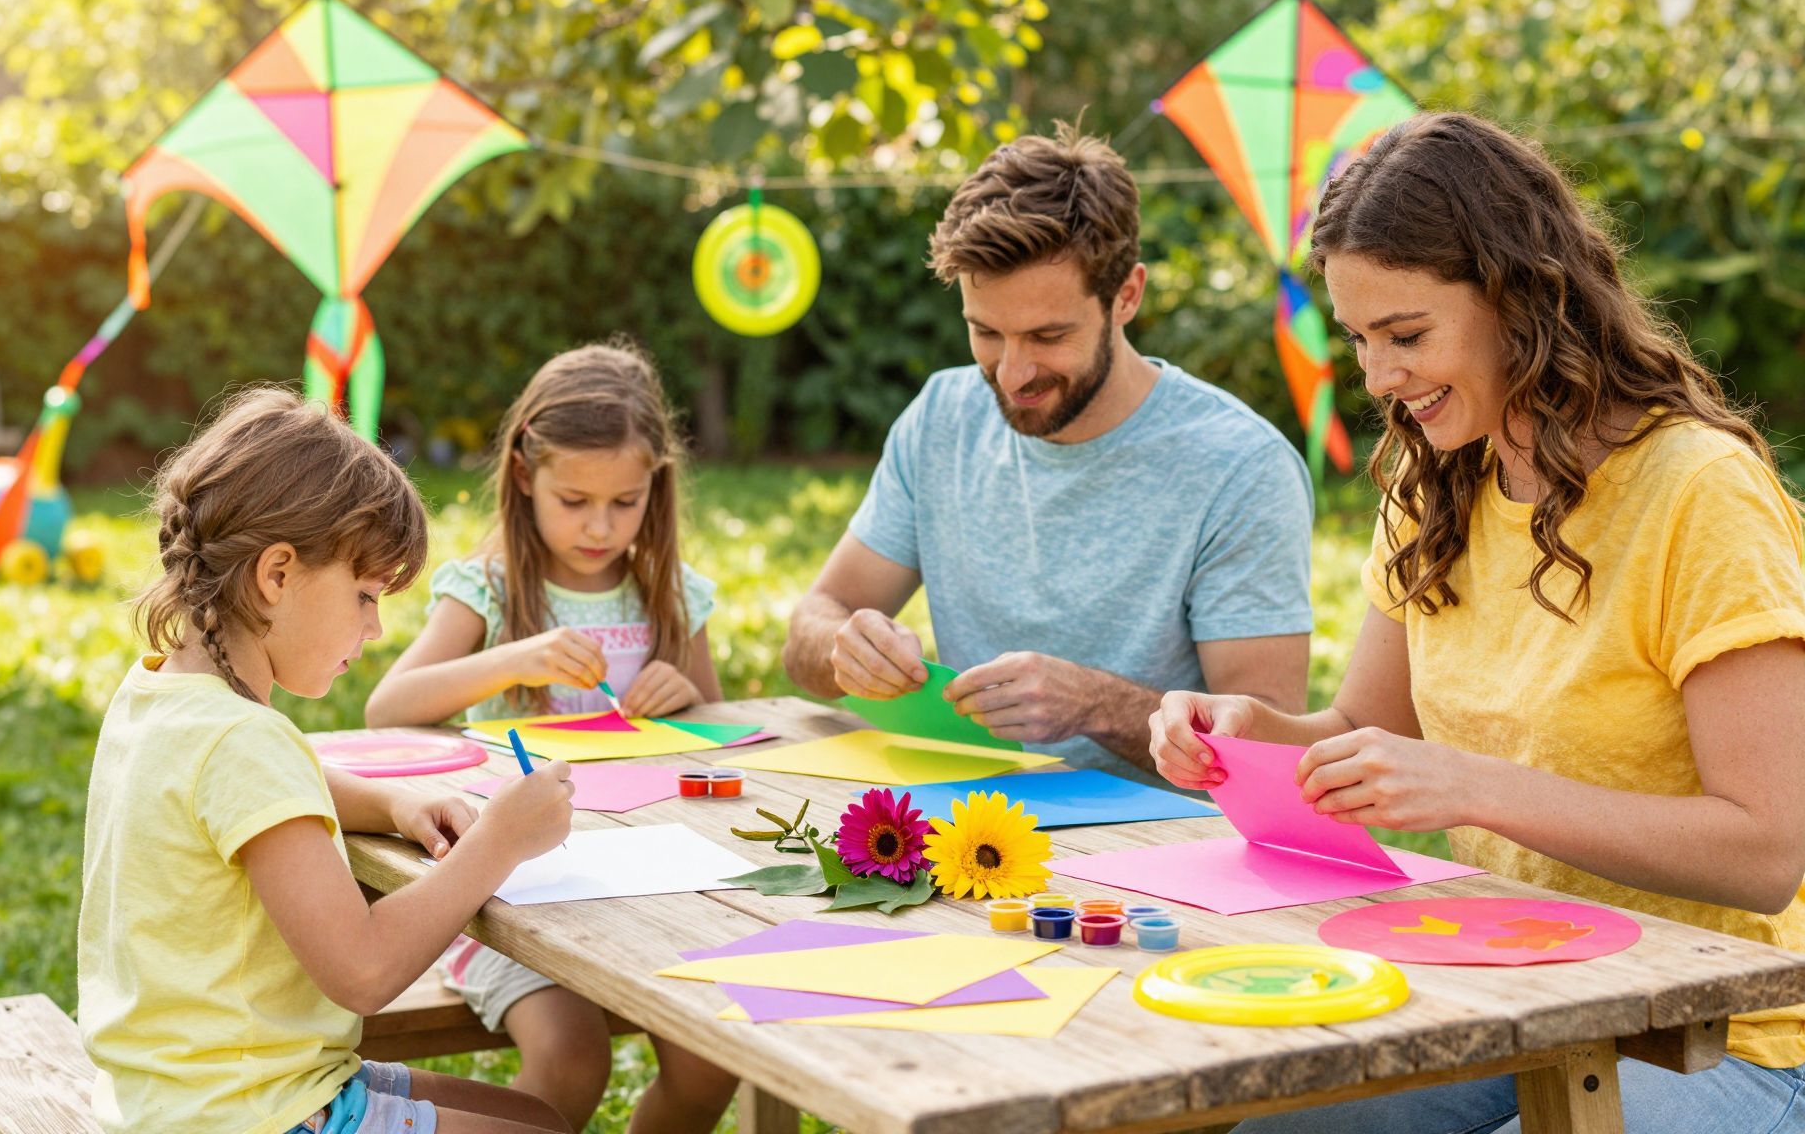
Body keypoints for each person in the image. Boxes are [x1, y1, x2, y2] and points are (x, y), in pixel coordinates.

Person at [1151, 111, 1805, 1133]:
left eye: (1405, 335)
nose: (1379, 377)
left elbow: (1761, 850)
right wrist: (1250, 735)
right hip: (1512, 987)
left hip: (1723, 1028)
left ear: (1519, 299)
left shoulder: (1697, 489)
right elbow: (1359, 727)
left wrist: (1478, 786)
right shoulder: (1434, 474)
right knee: (1262, 1122)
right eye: (1356, 340)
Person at [79, 387, 577, 1134]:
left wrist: (392, 805)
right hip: (246, 1112)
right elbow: (365, 972)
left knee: (535, 1115)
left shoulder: (160, 695)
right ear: (277, 575)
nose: (375, 628)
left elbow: (241, 794)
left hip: (181, 1092)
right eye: (366, 596)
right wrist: (499, 841)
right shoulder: (244, 741)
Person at [785, 124, 1314, 781]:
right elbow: (811, 624)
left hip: (1160, 851)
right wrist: (842, 646)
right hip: (965, 823)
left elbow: (1267, 748)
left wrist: (1097, 706)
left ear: (1126, 296)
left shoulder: (1239, 466)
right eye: (985, 332)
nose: (1011, 373)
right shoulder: (940, 419)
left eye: (1047, 335)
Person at [366, 342, 736, 1132]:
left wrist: (687, 696)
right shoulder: (491, 587)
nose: (600, 526)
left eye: (625, 502)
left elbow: (719, 724)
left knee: (711, 1064)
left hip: (649, 888)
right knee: (572, 1061)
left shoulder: (667, 590)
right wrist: (514, 657)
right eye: (575, 501)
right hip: (510, 900)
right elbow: (389, 706)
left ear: (655, 488)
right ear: (527, 475)